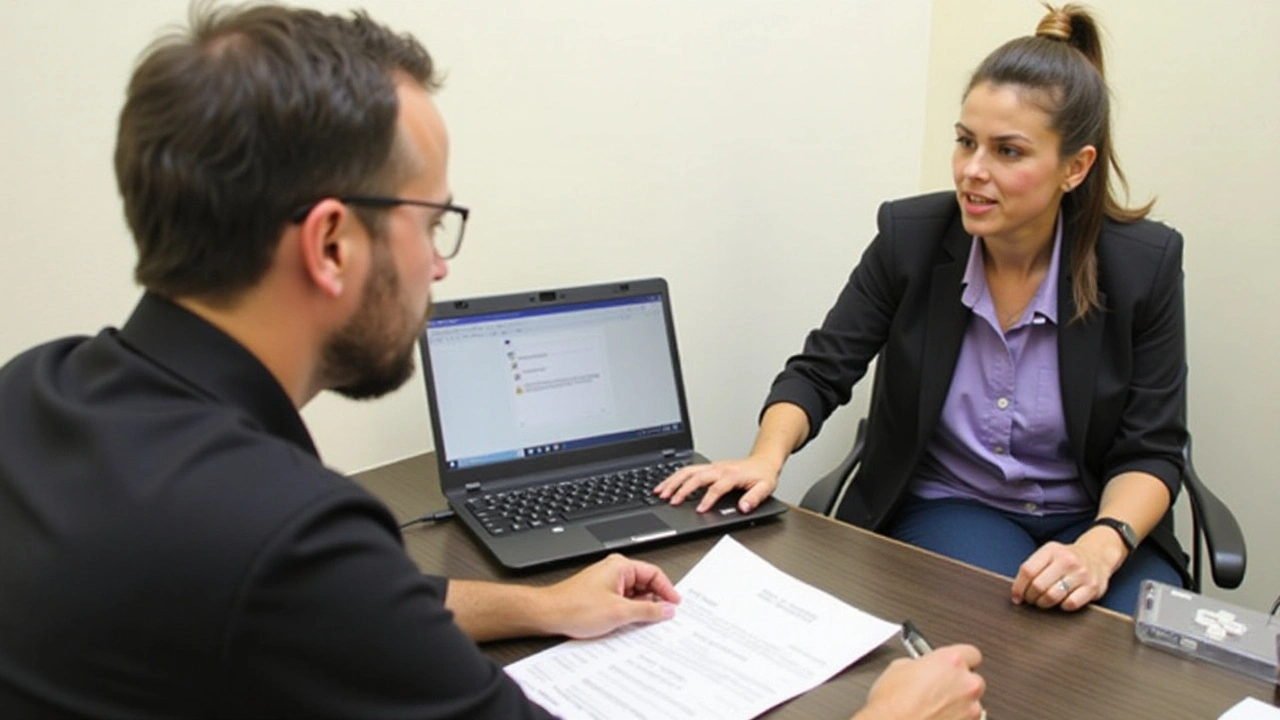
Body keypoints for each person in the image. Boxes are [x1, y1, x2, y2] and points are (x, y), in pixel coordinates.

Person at [0, 4, 983, 718]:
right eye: (430, 221)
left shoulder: (36, 390)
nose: (436, 261)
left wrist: (539, 603)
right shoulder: (286, 535)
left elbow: (346, 608)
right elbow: (318, 589)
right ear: (331, 243)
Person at [657, 3, 1188, 616]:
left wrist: (1103, 544)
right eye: (966, 142)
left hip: (1097, 513)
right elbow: (820, 371)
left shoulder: (1142, 265)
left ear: (1076, 166)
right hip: (956, 506)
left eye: (1008, 152)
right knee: (1003, 627)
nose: (973, 171)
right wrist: (765, 455)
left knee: (1146, 658)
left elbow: (1152, 448)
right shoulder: (909, 237)